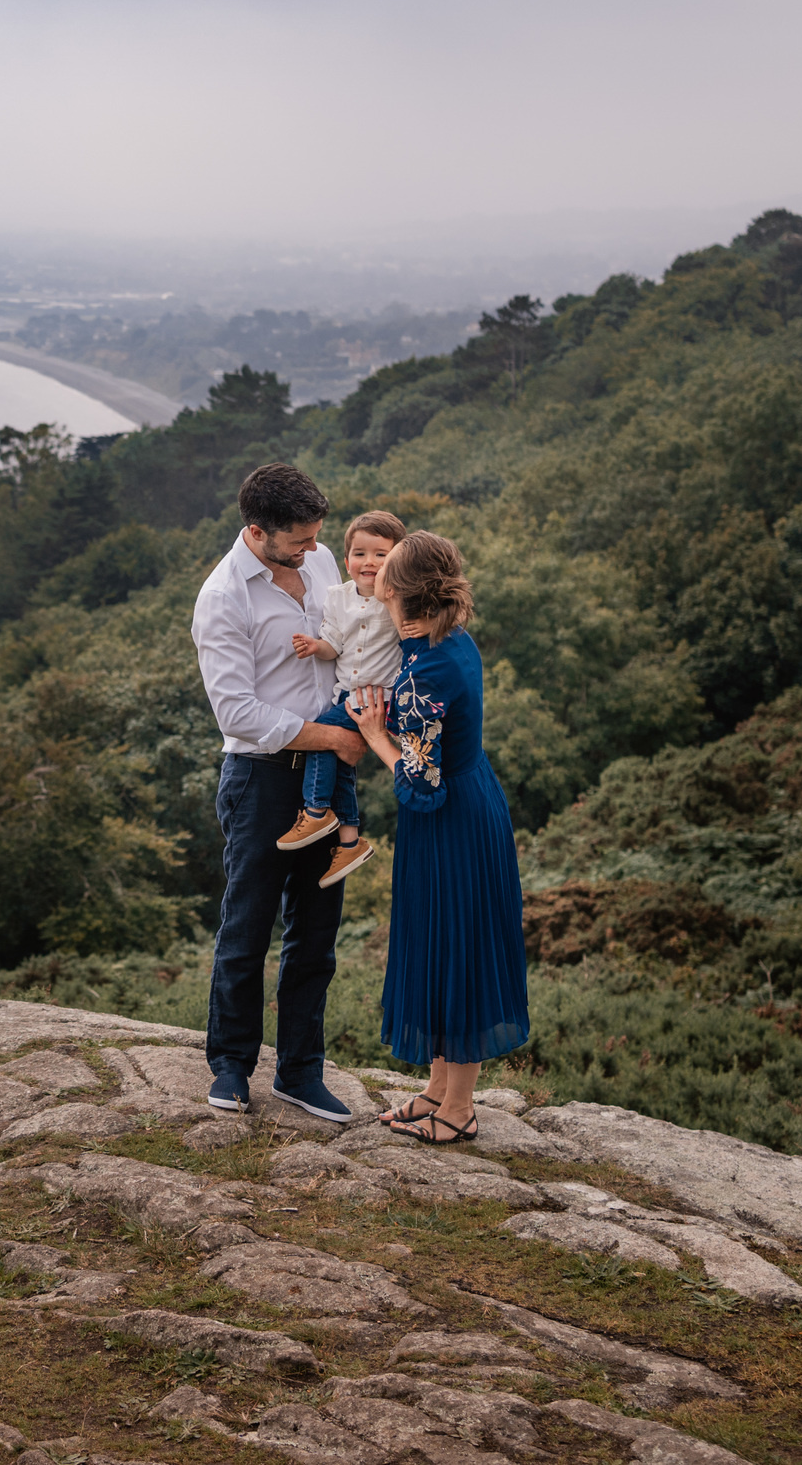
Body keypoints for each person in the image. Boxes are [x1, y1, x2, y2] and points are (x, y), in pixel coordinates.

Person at [189, 462, 366, 1122]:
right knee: (247, 928)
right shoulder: (224, 597)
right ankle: (231, 1067)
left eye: (317, 535)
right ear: (257, 531)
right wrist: (332, 739)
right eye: (299, 539)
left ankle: (300, 1072)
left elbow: (347, 640)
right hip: (261, 781)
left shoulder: (319, 566)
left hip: (330, 775)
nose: (314, 550)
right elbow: (236, 713)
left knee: (315, 936)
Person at [349, 530, 529, 1144]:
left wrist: (375, 731)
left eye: (383, 570)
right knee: (441, 941)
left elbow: (421, 782)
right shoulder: (445, 639)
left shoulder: (430, 671)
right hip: (470, 800)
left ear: (397, 591)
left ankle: (459, 1111)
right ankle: (435, 1091)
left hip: (449, 818)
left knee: (459, 948)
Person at [278, 510, 407, 887]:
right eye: (360, 553)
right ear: (346, 558)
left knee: (320, 736)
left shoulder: (399, 599)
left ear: (398, 559)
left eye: (381, 554)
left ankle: (316, 810)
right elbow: (334, 644)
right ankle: (349, 840)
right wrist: (314, 645)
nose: (369, 563)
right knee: (341, 761)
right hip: (346, 696)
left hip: (378, 698)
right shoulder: (336, 598)